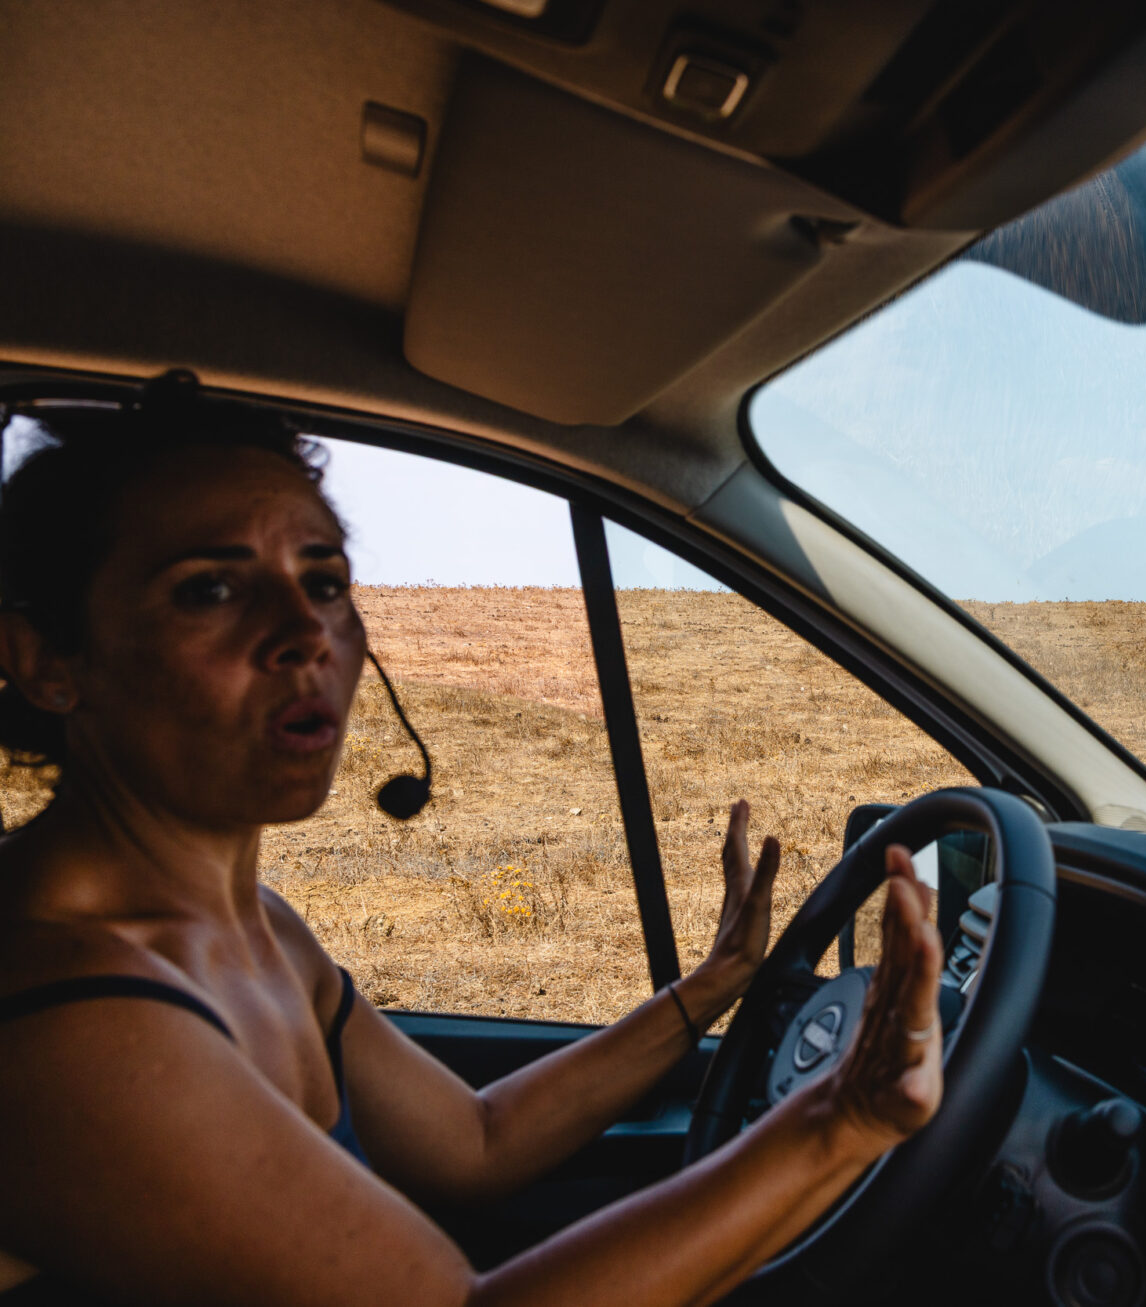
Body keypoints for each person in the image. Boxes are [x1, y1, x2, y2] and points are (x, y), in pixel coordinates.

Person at [0, 373, 943, 1305]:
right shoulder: (63, 1011)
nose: (305, 632)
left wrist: (710, 988)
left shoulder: (263, 932)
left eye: (325, 581)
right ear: (46, 659)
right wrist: (838, 1119)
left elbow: (474, 1144)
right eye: (210, 589)